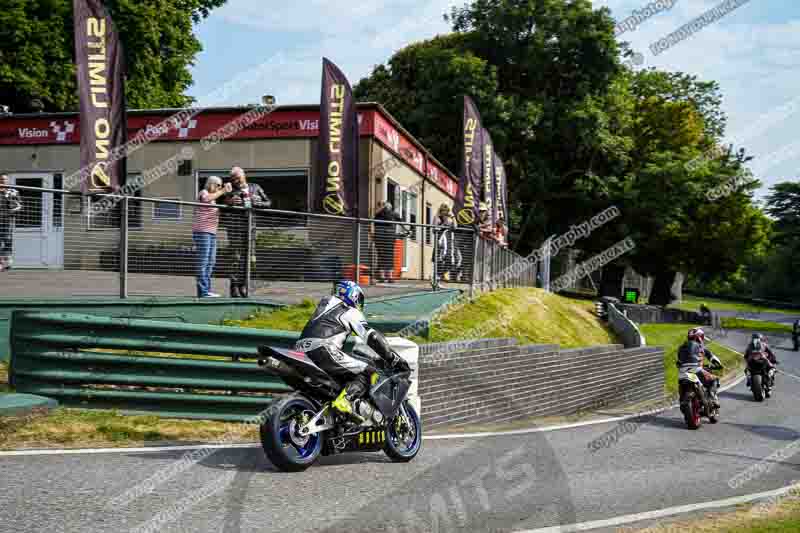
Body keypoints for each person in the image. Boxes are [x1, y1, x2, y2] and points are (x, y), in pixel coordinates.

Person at [295, 280, 410, 420]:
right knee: (369, 371)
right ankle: (346, 400)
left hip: (300, 350)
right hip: (323, 349)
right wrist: (392, 358)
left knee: (344, 375)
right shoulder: (349, 310)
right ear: (353, 295)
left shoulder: (325, 304)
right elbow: (372, 337)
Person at [221, 167, 271, 298]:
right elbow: (222, 206)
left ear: (244, 175)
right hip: (235, 227)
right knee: (235, 257)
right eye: (233, 179)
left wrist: (259, 202)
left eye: (238, 177)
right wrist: (229, 202)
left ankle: (243, 286)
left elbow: (269, 203)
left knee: (249, 258)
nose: (236, 180)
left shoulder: (255, 187)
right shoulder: (229, 189)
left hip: (250, 226)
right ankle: (234, 287)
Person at [192, 176, 231, 298]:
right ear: (211, 184)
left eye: (221, 185)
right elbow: (206, 199)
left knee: (211, 262)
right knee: (203, 262)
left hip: (212, 233)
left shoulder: (214, 199)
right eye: (218, 185)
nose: (220, 187)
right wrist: (223, 191)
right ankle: (203, 292)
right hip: (202, 232)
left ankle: (206, 290)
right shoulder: (203, 193)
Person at [676, 327, 722, 408]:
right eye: (702, 337)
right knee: (714, 380)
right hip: (696, 370)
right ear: (699, 337)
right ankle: (712, 398)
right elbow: (713, 358)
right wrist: (718, 365)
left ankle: (682, 400)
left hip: (682, 372)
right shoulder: (701, 348)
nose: (702, 339)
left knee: (681, 386)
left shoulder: (681, 348)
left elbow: (678, 361)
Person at [433, 204, 462, 282]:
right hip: (440, 242)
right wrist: (442, 220)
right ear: (441, 210)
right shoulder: (437, 218)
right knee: (439, 260)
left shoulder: (450, 219)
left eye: (447, 210)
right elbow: (434, 228)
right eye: (443, 210)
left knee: (455, 259)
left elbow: (455, 227)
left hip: (450, 243)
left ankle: (442, 274)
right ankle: (437, 278)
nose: (445, 212)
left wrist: (453, 216)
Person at [0, 174, 22, 272]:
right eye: (1, 179)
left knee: (7, 239)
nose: (3, 181)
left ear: (8, 181)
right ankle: (0, 263)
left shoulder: (13, 192)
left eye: (4, 179)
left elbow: (20, 205)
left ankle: (8, 262)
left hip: (7, 219)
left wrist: (12, 210)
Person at [374, 201, 400, 283]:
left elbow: (374, 223)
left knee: (381, 255)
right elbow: (400, 221)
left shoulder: (378, 214)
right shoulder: (394, 214)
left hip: (380, 237)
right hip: (389, 237)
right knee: (389, 256)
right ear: (390, 207)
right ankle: (390, 277)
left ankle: (382, 276)